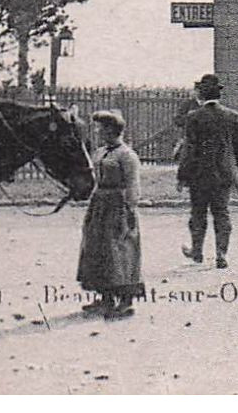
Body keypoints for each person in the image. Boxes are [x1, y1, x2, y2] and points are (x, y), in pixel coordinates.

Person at [77, 110, 144, 320]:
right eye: (99, 128)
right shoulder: (99, 152)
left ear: (113, 130)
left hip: (118, 205)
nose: (99, 132)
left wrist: (130, 209)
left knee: (120, 250)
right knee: (97, 248)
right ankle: (105, 297)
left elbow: (133, 185)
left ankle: (125, 301)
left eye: (103, 128)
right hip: (99, 204)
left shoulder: (127, 155)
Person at [178, 73, 238, 269]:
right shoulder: (231, 116)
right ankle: (221, 254)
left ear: (202, 95)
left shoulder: (193, 117)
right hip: (223, 174)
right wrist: (231, 166)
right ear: (219, 94)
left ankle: (197, 252)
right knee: (222, 213)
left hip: (199, 175)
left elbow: (189, 149)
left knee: (198, 213)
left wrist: (182, 176)